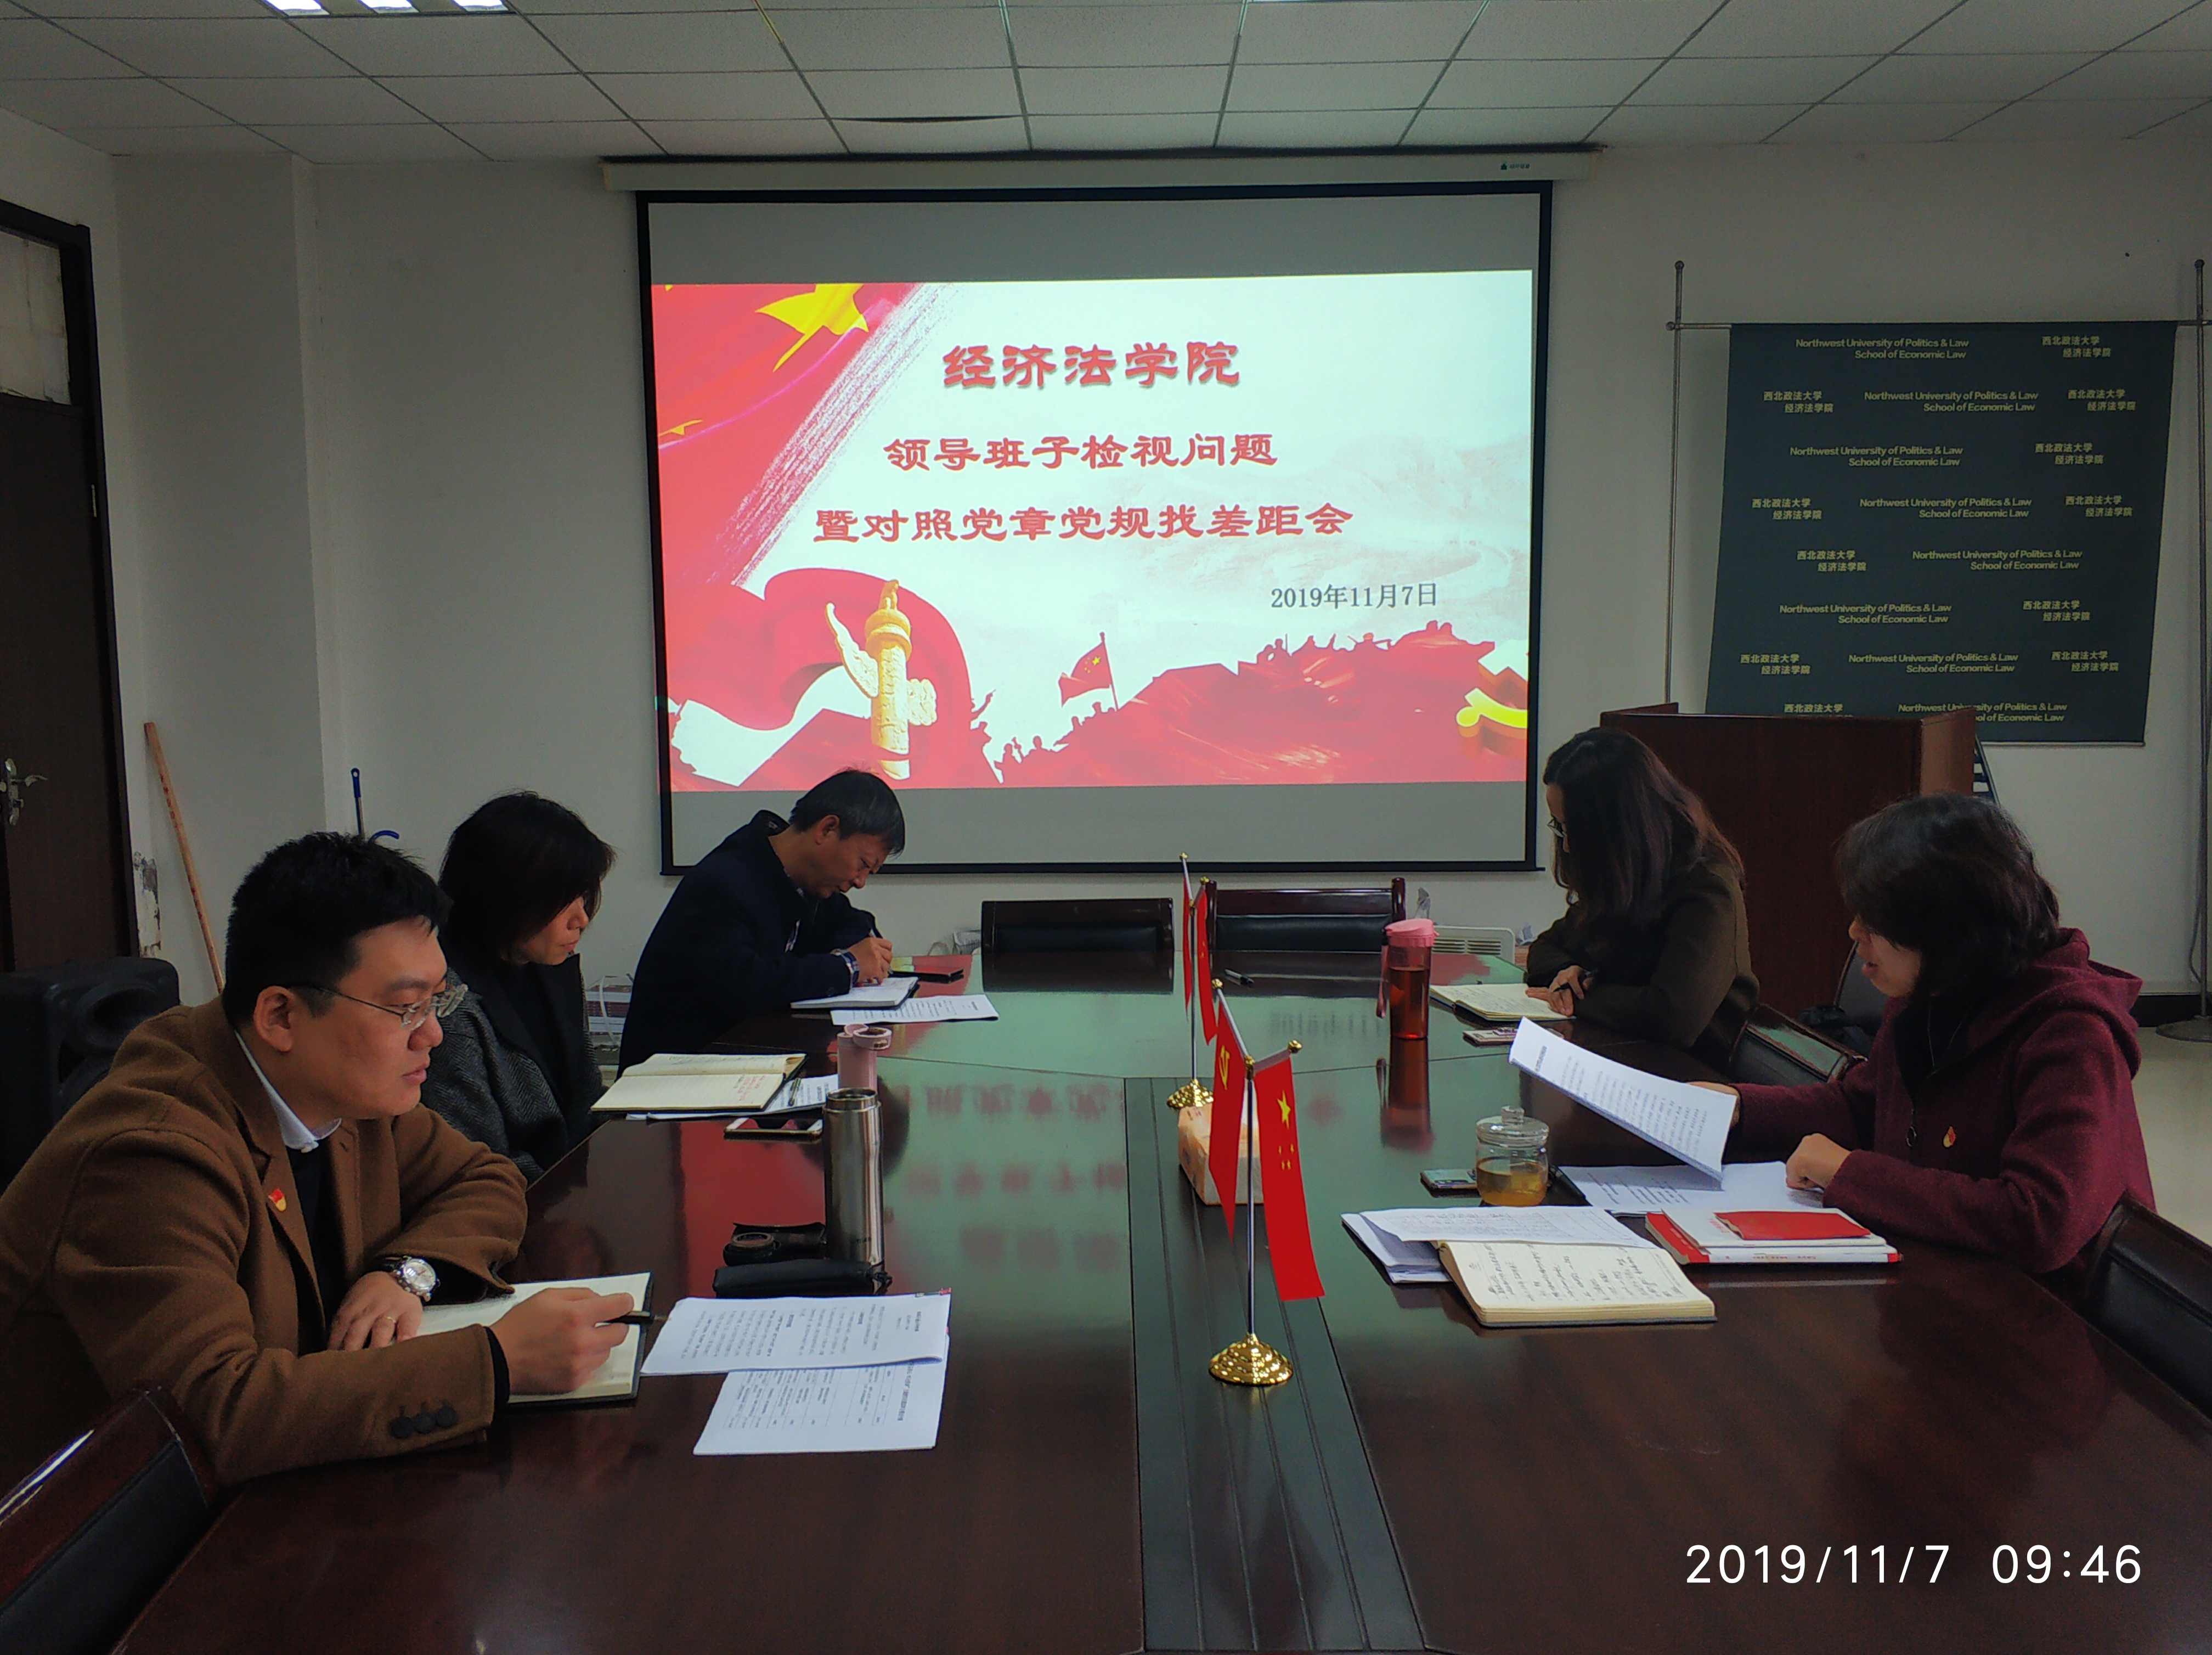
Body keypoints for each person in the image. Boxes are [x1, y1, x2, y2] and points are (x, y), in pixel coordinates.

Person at [0, 834, 635, 1489]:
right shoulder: (150, 1155)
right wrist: (497, 1362)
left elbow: (486, 1177)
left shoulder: (341, 1087)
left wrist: (406, 1273)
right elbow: (214, 1415)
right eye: (405, 1007)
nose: (433, 1033)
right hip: (92, 1528)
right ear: (280, 1015)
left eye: (437, 1000)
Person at [1723, 792, 2153, 1286]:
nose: (1855, 932)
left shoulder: (2071, 1034)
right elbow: (1865, 1107)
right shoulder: (1933, 992)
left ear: (1946, 927)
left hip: (2039, 1309)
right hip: (1940, 1275)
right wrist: (1738, 1108)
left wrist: (1850, 1175)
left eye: (1877, 920)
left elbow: (2039, 1220)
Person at [621, 769, 903, 1066]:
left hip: (749, 1060)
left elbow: (852, 923)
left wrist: (859, 954)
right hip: (678, 1073)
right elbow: (745, 985)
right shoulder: (724, 881)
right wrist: (847, 966)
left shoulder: (806, 881)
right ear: (827, 830)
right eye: (862, 864)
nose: (860, 881)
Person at [1523, 727, 1758, 1068]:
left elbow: (1671, 1018)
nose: (1568, 846)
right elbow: (1546, 947)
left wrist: (1580, 995)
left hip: (1688, 1076)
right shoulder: (1624, 877)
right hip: (1615, 1058)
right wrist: (1566, 974)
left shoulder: (1707, 889)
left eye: (1575, 828)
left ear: (1618, 823)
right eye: (1560, 827)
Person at [421, 793, 616, 1181]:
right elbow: (478, 1163)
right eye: (565, 900)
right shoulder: (448, 1007)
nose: (582, 919)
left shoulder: (548, 970)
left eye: (584, 897)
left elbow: (587, 1105)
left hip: (575, 1187)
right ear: (509, 895)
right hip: (521, 1201)